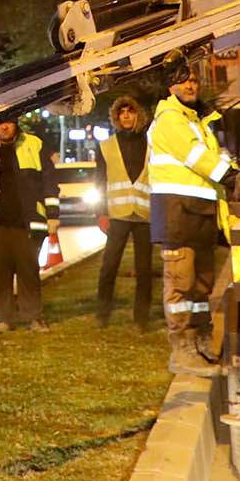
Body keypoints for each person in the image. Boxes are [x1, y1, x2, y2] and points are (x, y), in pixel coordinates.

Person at [149, 53, 237, 375]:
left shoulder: (195, 121)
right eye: (183, 79)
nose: (190, 83)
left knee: (201, 287)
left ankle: (200, 343)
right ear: (171, 85)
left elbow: (212, 158)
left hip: (198, 215)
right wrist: (232, 175)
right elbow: (197, 157)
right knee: (180, 286)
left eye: (194, 79)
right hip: (177, 214)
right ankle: (181, 351)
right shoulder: (170, 119)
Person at [0, 118, 59, 333]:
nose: (4, 126)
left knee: (29, 273)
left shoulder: (34, 144)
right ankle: (3, 319)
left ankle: (34, 317)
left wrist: (53, 215)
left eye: (8, 122)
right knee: (0, 275)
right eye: (0, 123)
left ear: (16, 122)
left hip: (27, 223)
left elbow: (49, 182)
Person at [94, 95, 154, 330]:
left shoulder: (151, 144)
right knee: (109, 267)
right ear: (116, 117)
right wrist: (101, 213)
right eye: (122, 112)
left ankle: (141, 318)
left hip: (144, 214)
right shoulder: (106, 146)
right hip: (117, 215)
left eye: (131, 111)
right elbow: (99, 181)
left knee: (145, 270)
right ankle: (103, 314)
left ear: (138, 114)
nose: (127, 115)